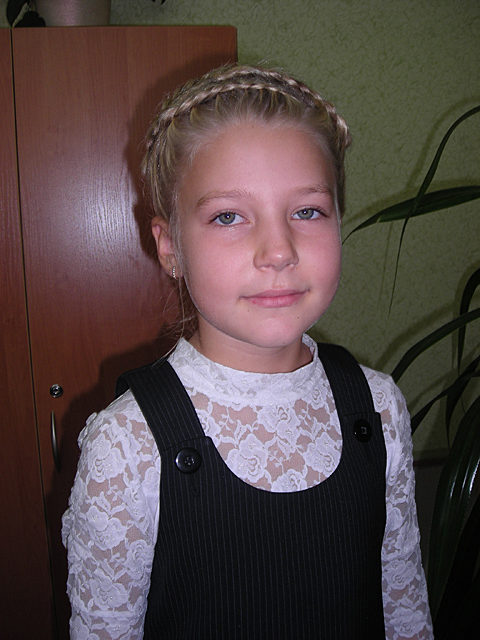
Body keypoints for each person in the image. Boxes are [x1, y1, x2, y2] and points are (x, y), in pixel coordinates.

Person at [62, 64, 433, 639]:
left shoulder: (380, 407)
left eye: (307, 211)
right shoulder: (127, 445)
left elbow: (403, 610)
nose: (278, 250)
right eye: (229, 216)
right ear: (169, 247)